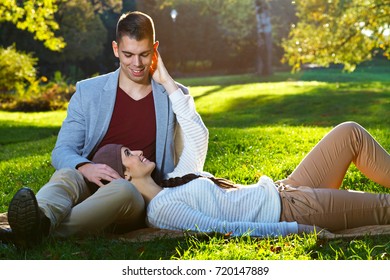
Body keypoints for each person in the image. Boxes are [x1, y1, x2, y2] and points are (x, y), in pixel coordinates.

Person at [2, 11, 208, 248]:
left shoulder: (172, 94)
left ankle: (42, 233)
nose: (137, 64)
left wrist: (168, 81)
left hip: (135, 196)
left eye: (144, 54)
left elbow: (197, 146)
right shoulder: (88, 92)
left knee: (122, 189)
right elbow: (62, 151)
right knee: (67, 174)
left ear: (155, 49)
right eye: (128, 54)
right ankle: (41, 217)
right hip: (87, 185)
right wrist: (85, 167)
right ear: (115, 49)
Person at [90, 120, 390, 237]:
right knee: (384, 206)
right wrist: (293, 229)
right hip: (293, 209)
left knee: (350, 133)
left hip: (287, 187)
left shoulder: (172, 180)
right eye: (128, 153)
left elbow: (197, 135)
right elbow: (222, 229)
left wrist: (167, 81)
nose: (139, 151)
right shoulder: (161, 210)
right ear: (124, 174)